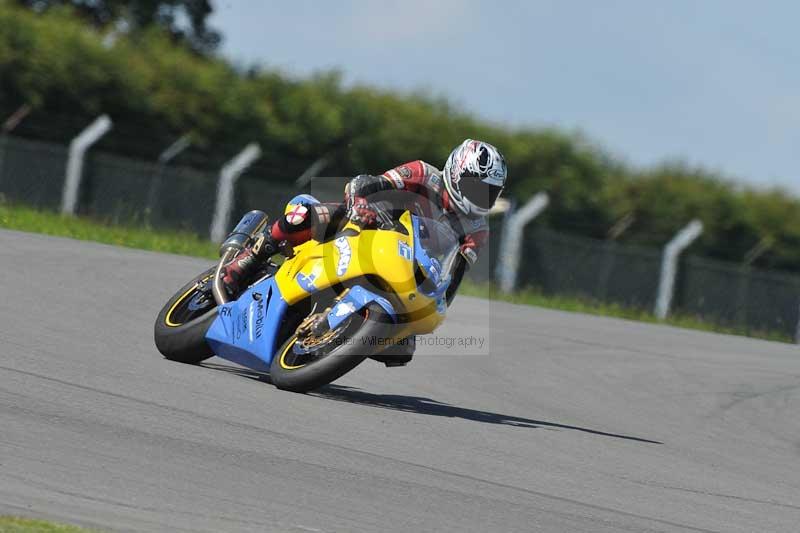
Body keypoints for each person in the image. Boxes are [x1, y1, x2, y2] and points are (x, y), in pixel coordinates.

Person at [222, 139, 507, 365]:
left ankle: (343, 331)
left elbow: (455, 275)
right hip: (365, 226)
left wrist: (437, 303)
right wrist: (360, 202)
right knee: (304, 215)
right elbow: (368, 182)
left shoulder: (477, 228)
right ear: (456, 172)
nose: (481, 197)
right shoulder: (422, 173)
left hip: (405, 270)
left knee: (402, 349)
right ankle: (251, 258)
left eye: (489, 192)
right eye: (476, 187)